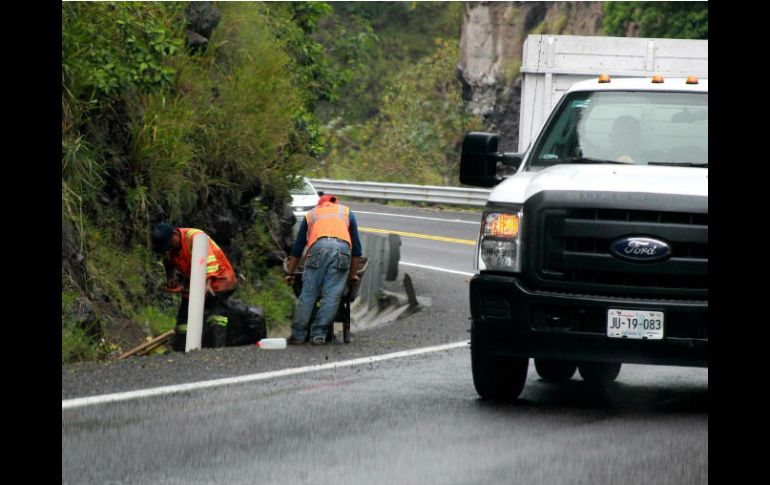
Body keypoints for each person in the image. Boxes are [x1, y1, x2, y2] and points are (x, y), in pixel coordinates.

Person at [284, 194, 362, 345]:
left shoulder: (312, 214)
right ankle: (318, 335)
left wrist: (290, 273)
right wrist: (353, 275)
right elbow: (357, 250)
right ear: (335, 203)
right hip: (342, 249)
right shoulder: (347, 212)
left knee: (308, 293)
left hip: (317, 248)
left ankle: (299, 335)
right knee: (332, 295)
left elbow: (298, 247)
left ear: (320, 204)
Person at [151, 223, 238, 351]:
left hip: (219, 279)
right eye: (166, 248)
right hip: (196, 281)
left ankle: (216, 350)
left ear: (175, 234)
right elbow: (168, 262)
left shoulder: (195, 237)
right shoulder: (170, 248)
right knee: (184, 317)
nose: (169, 249)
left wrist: (207, 285)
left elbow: (210, 261)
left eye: (169, 245)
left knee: (216, 315)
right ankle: (181, 350)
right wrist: (172, 279)